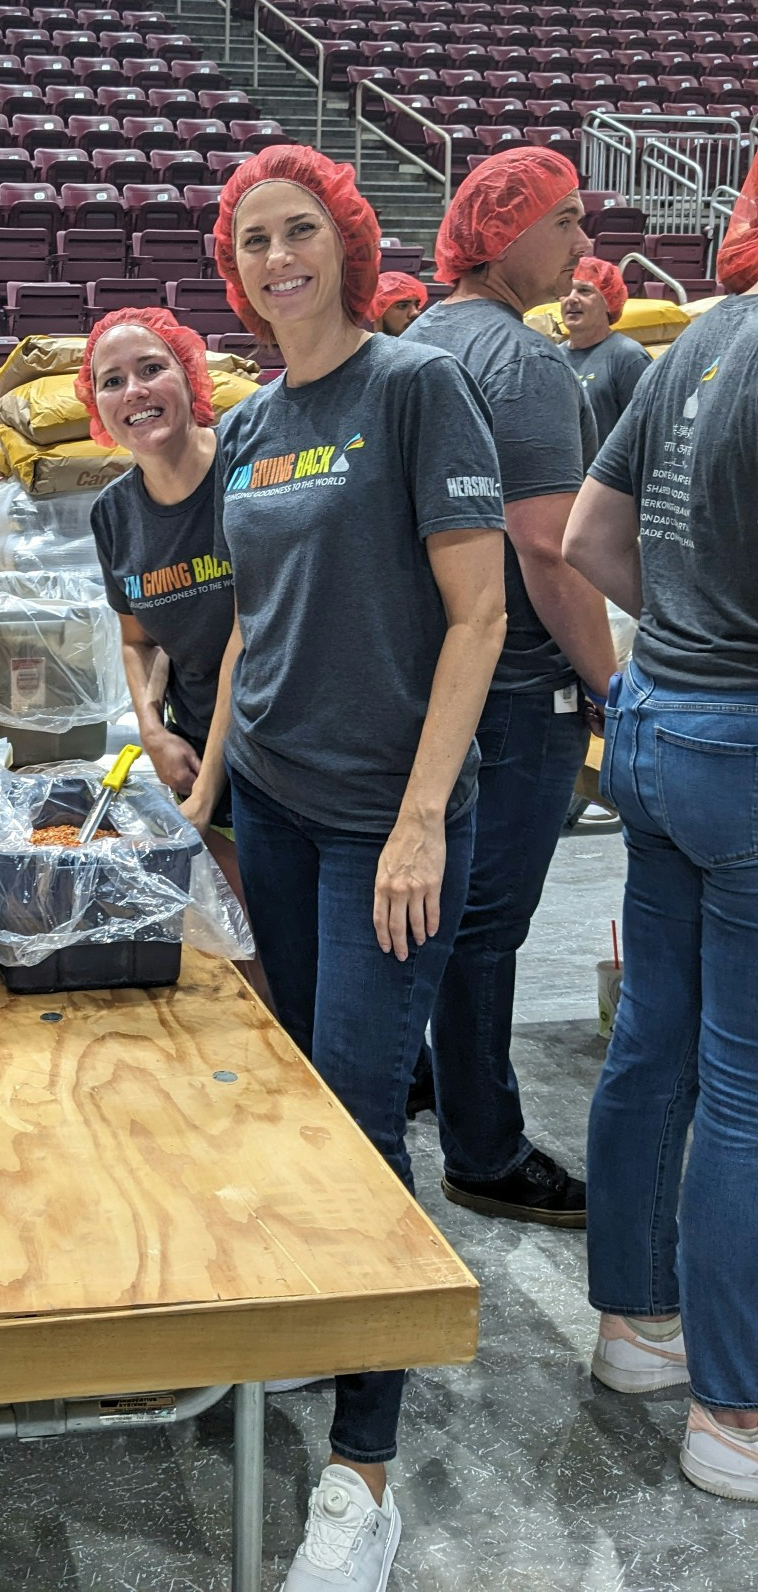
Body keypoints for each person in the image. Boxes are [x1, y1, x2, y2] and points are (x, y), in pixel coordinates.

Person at [184, 145, 508, 1592]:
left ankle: (362, 1470)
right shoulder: (253, 422)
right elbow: (257, 617)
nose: (275, 258)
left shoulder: (416, 386)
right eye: (252, 240)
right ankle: (323, 1332)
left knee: (366, 1122)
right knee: (298, 1103)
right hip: (277, 807)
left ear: (349, 241)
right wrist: (210, 786)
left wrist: (426, 818)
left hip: (389, 823)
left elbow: (482, 617)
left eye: (299, 231)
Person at [564, 184, 758, 1501]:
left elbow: (588, 538)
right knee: (746, 1087)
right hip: (743, 746)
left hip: (656, 718)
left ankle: (634, 1327)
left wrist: (686, 639)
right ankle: (735, 1417)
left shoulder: (698, 330)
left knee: (656, 1044)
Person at [410, 148, 617, 1229]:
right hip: (516, 683)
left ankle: (423, 1072)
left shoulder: (417, 342)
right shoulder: (525, 366)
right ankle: (484, 1148)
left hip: (436, 673)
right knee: (488, 922)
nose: (585, 245)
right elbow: (549, 552)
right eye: (568, 221)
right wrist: (612, 682)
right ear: (504, 233)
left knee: (436, 904)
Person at [76, 306, 249, 922]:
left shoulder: (246, 473)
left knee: (292, 951)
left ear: (190, 375)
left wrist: (207, 795)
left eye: (152, 368)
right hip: (200, 746)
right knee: (244, 950)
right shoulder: (114, 514)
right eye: (112, 380)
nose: (135, 392)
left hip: (275, 753)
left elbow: (249, 637)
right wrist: (151, 730)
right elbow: (137, 640)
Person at [559, 255, 651, 447]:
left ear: (608, 302)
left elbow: (645, 431)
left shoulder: (628, 357)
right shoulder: (553, 357)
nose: (572, 299)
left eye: (584, 291)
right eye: (566, 291)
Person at [372, 270, 427, 337]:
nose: (415, 313)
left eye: (417, 305)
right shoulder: (360, 347)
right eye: (402, 306)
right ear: (377, 311)